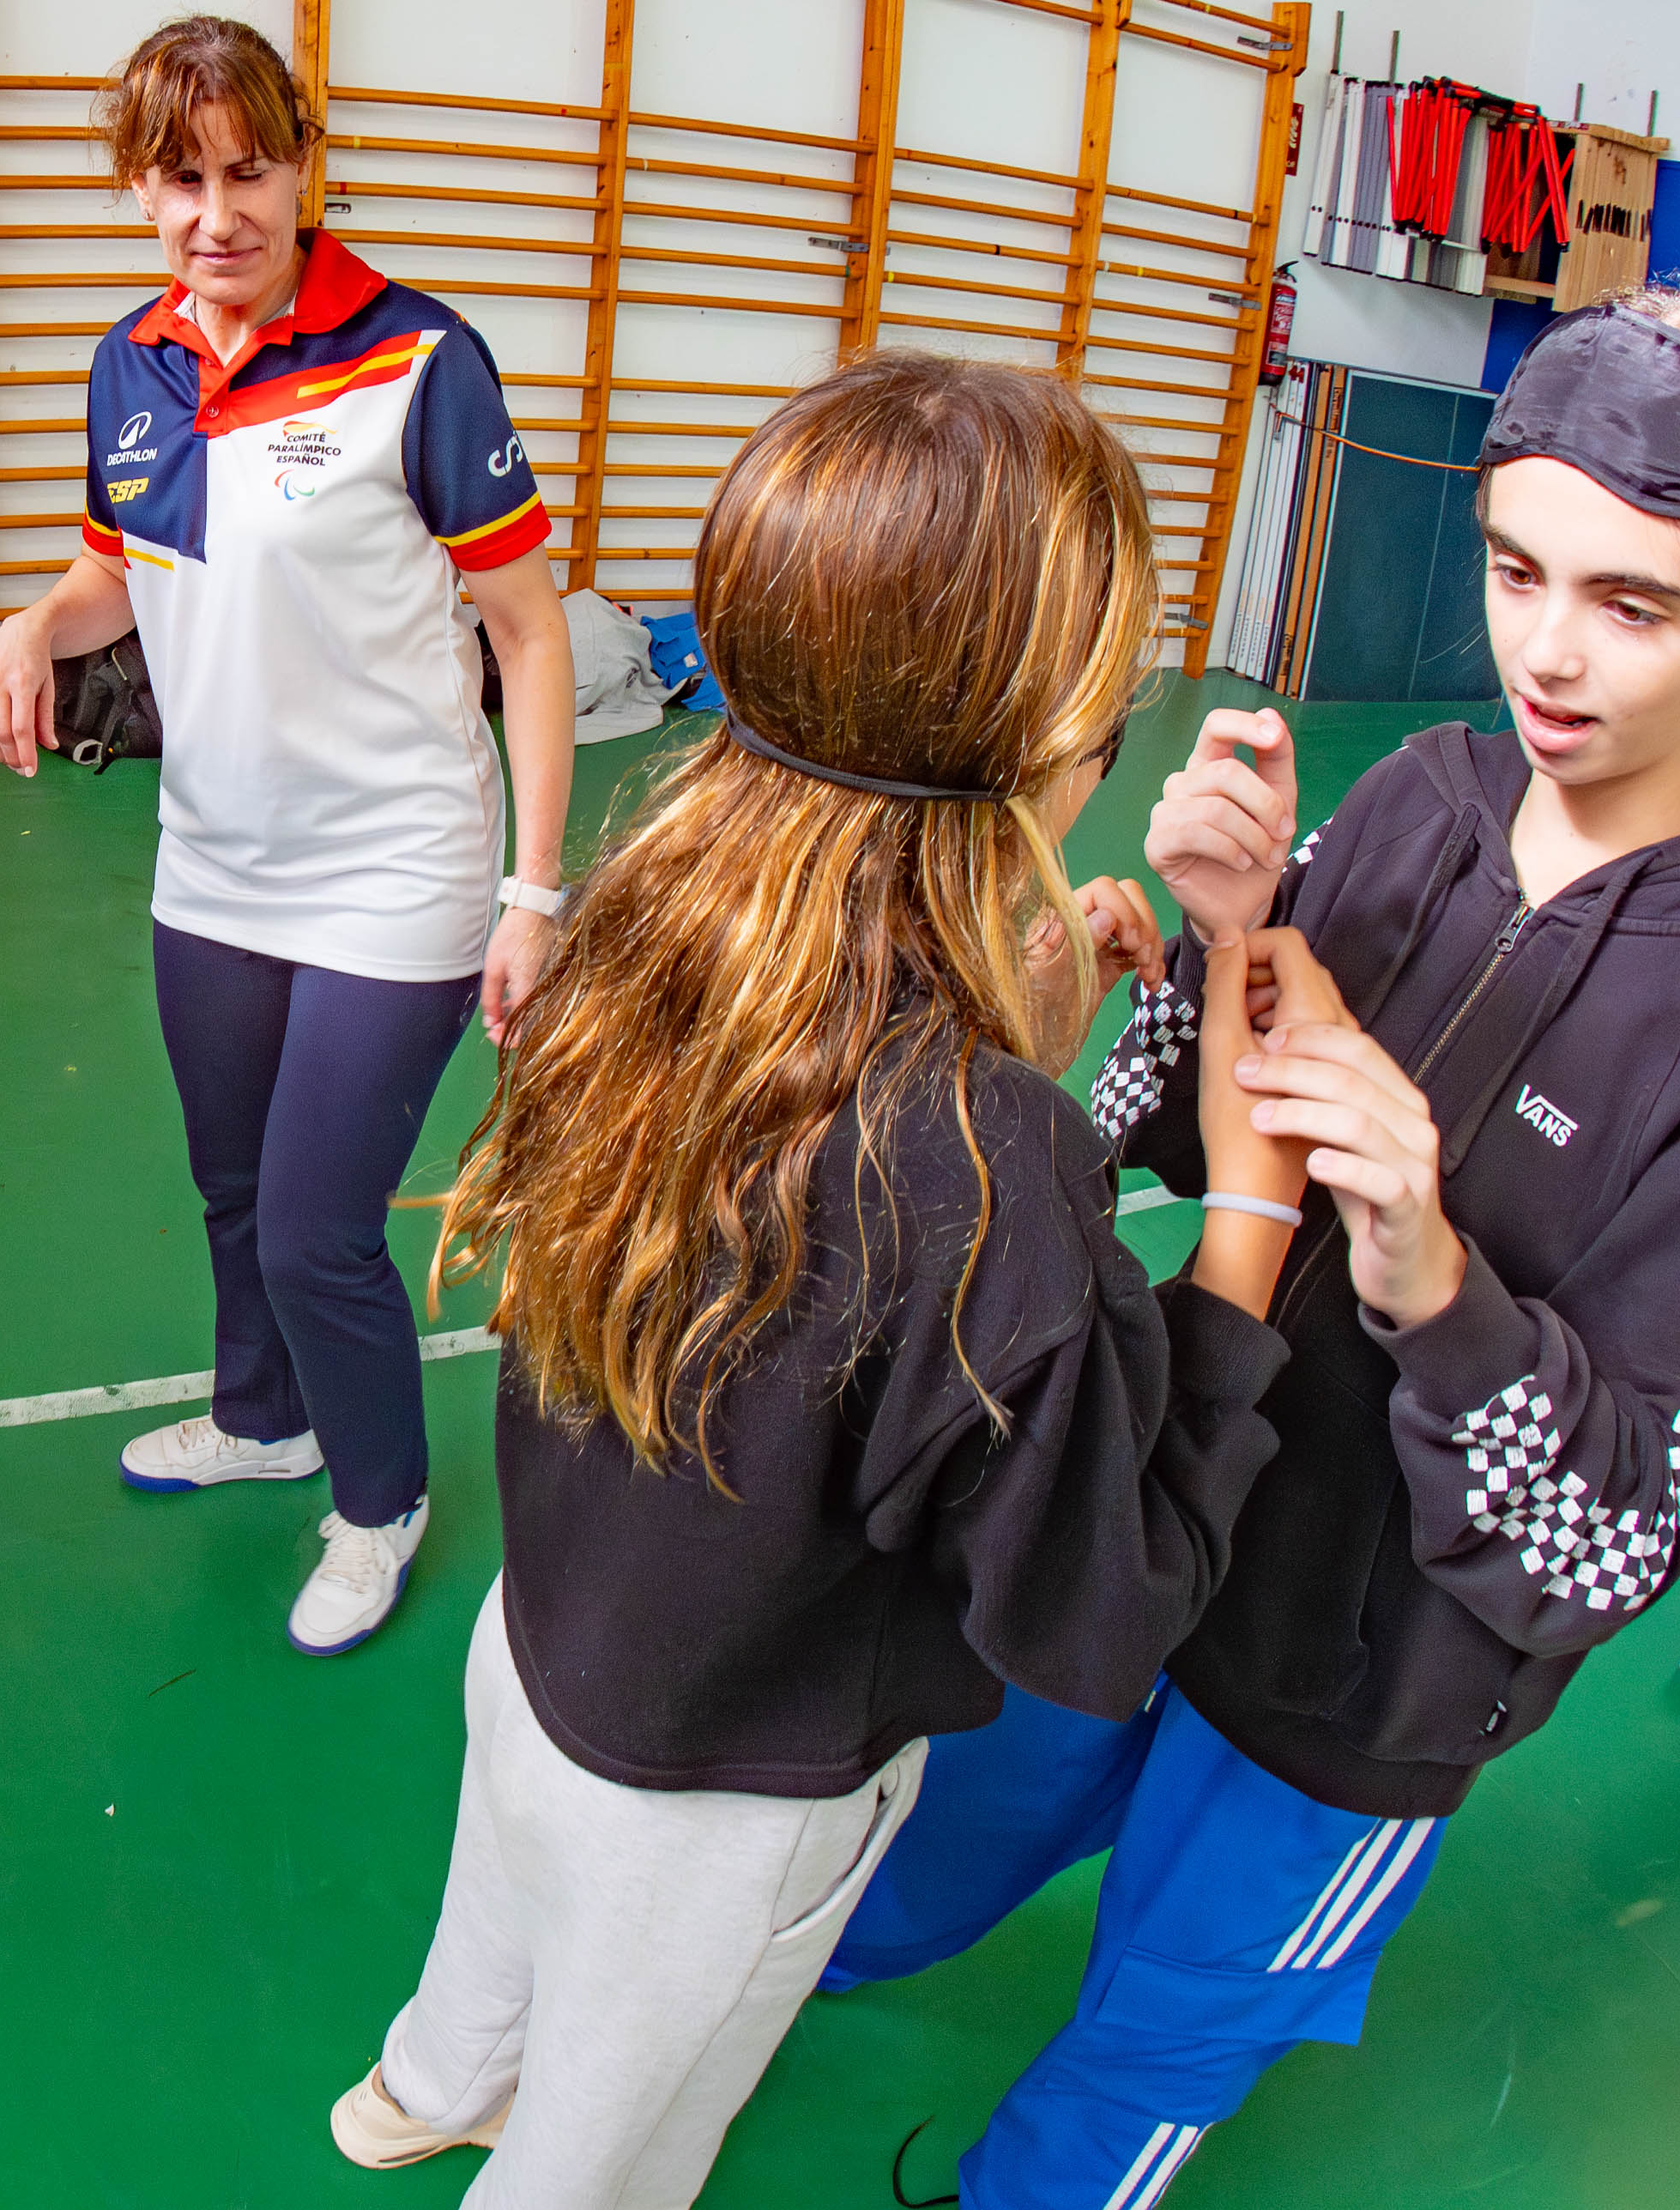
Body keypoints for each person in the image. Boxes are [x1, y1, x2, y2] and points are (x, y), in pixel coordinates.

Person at [823, 287, 1680, 2207]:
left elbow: (1616, 1538)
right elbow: (1166, 1125)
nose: (1547, 655)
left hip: (1351, 1691)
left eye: (1633, 605)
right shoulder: (1419, 796)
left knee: (1150, 2042)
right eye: (1515, 571)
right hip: (1146, 1516)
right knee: (911, 1858)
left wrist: (1431, 1278)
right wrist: (1219, 940)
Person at [324, 357, 1302, 2201]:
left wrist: (1018, 1035)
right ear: (1056, 748)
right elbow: (1102, 1596)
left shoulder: (645, 923)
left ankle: (417, 2087)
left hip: (544, 1648)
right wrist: (1246, 1204)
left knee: (490, 1937)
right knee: (602, 2146)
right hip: (723, 1794)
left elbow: (843, 1185)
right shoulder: (982, 1150)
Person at [0, 13, 578, 1657]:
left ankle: (380, 1500)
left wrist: (532, 890)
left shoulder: (416, 359)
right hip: (215, 862)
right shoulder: (132, 363)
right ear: (136, 190)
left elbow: (528, 631)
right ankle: (263, 1417)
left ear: (306, 167)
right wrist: (33, 624)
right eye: (181, 179)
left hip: (398, 863)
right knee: (232, 1186)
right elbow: (119, 570)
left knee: (317, 1227)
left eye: (249, 171)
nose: (217, 212)